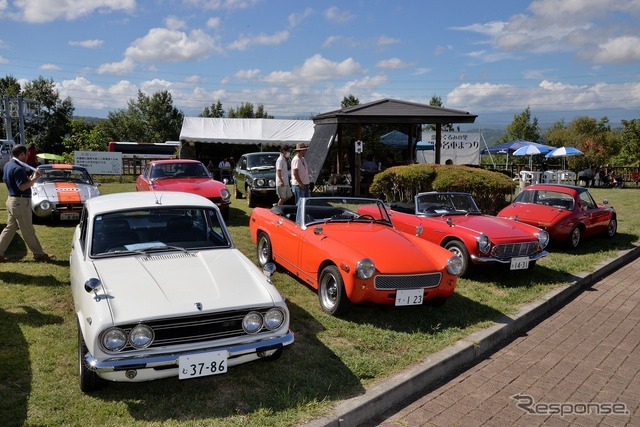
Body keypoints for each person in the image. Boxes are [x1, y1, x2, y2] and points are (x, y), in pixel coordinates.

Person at [0, 145, 55, 262]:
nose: (28, 156)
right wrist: (35, 178)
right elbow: (22, 187)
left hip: (12, 200)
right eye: (27, 154)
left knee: (10, 227)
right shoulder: (18, 168)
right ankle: (39, 254)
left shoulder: (8, 165)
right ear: (21, 154)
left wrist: (29, 179)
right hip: (20, 202)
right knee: (28, 230)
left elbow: (11, 181)